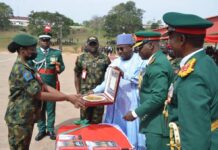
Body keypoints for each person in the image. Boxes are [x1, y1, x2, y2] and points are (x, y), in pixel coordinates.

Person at [4, 34, 84, 150]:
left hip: (26, 117)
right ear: (22, 50)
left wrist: (68, 96)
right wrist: (67, 98)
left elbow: (44, 85)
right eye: (31, 49)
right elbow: (39, 94)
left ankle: (49, 129)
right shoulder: (21, 69)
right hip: (19, 120)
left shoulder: (28, 67)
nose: (34, 52)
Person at [163, 12, 218, 150]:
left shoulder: (193, 76)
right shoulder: (205, 61)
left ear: (181, 39)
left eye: (170, 37)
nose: (168, 42)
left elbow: (195, 137)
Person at [92, 33, 146, 149]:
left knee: (131, 136)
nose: (120, 52)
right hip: (116, 106)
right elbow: (106, 83)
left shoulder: (140, 61)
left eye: (122, 48)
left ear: (131, 47)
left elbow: (141, 80)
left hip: (132, 104)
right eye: (118, 49)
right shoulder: (115, 63)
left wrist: (123, 74)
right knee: (115, 136)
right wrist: (93, 92)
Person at [123, 31, 173, 150]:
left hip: (158, 124)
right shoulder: (155, 61)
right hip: (154, 119)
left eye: (140, 47)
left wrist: (135, 113)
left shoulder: (158, 65)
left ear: (150, 45)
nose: (137, 51)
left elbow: (158, 96)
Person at [33, 32, 65, 141]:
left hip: (51, 83)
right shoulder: (34, 53)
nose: (45, 42)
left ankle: (50, 129)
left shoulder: (56, 53)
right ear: (39, 41)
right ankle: (41, 130)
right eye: (43, 40)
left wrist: (59, 68)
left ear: (49, 41)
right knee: (40, 107)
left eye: (47, 40)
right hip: (38, 84)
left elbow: (62, 66)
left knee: (51, 108)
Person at [74, 36, 110, 124]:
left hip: (99, 95)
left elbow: (110, 76)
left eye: (94, 43)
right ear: (87, 45)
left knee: (97, 121)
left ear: (98, 44)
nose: (93, 46)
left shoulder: (105, 58)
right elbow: (77, 75)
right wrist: (78, 92)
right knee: (84, 120)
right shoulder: (81, 58)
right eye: (91, 44)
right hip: (84, 94)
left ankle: (96, 138)